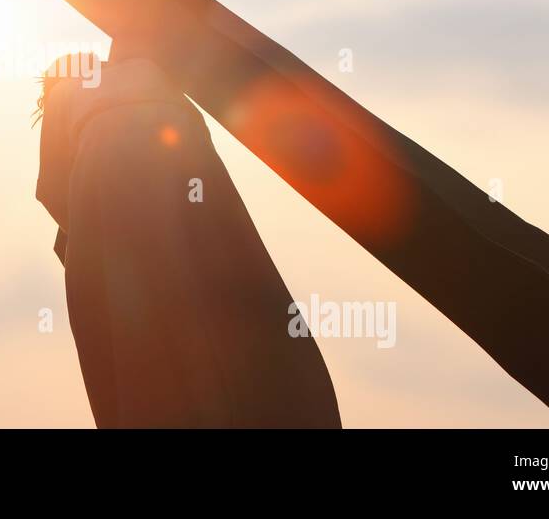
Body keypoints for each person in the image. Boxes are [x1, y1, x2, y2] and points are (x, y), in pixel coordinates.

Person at [35, 52, 341, 428]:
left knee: (138, 342)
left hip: (114, 200)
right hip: (193, 177)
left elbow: (51, 187)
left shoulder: (65, 93)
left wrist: (80, 239)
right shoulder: (150, 68)